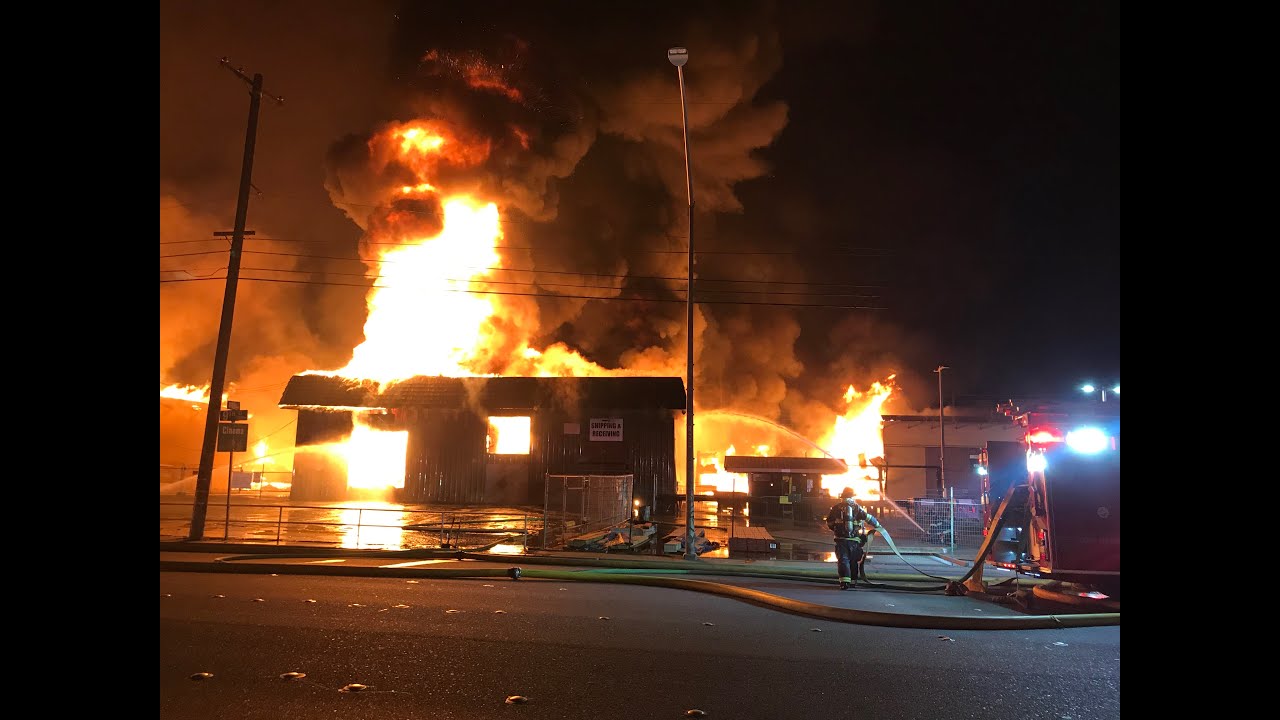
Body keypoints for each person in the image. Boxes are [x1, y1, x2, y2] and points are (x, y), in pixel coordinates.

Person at [826, 487, 881, 590]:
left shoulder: (836, 508)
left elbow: (829, 523)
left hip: (841, 540)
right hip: (855, 541)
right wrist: (878, 526)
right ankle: (853, 582)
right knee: (853, 561)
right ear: (852, 496)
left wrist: (837, 529)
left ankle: (844, 583)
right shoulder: (857, 508)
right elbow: (868, 518)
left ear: (842, 496)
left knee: (843, 560)